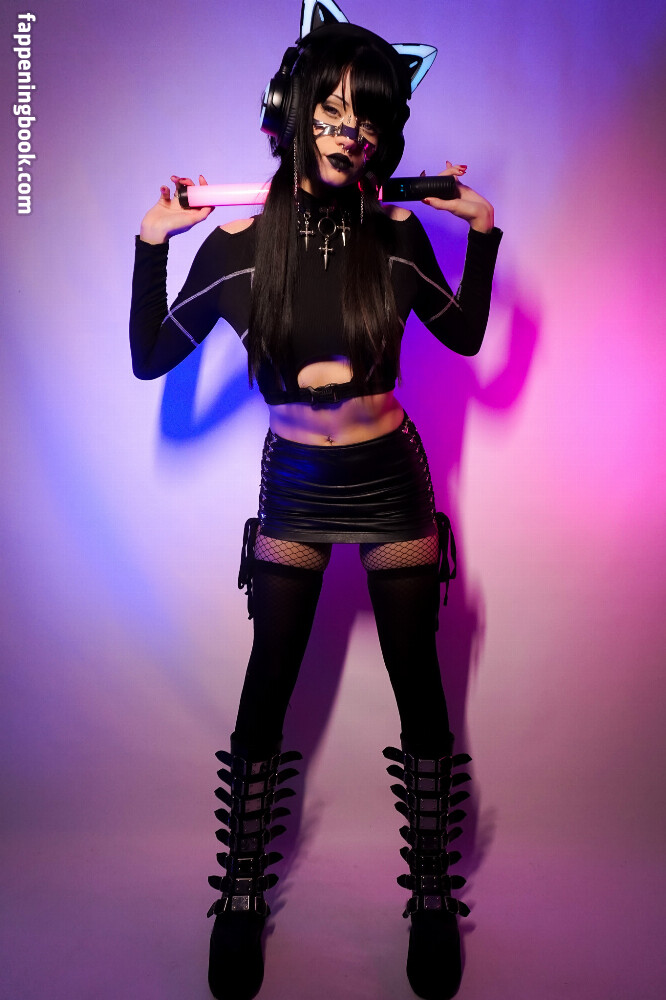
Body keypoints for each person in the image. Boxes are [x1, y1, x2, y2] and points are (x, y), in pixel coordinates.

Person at [129, 2, 501, 998]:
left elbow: (465, 338)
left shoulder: (396, 233)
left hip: (390, 478)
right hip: (295, 483)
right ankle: (242, 892)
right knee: (270, 686)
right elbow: (150, 357)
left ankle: (432, 894)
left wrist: (483, 235)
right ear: (293, 113)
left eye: (367, 116)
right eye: (331, 111)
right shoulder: (240, 244)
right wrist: (153, 243)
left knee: (420, 684)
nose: (350, 131)